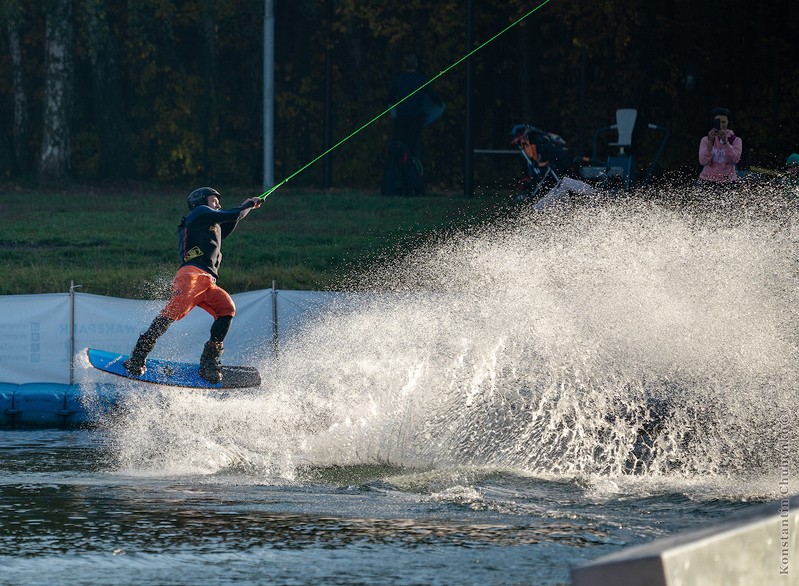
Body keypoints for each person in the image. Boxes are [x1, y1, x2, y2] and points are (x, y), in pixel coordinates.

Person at [124, 187, 262, 383]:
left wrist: (247, 207)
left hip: (208, 281)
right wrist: (247, 204)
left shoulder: (212, 224)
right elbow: (232, 214)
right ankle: (138, 356)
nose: (219, 204)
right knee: (173, 311)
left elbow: (233, 218)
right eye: (215, 201)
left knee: (226, 309)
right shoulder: (198, 213)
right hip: (192, 276)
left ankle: (209, 361)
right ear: (201, 201)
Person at [697, 107, 742, 185]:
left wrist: (725, 142)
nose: (721, 125)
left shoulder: (735, 140)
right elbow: (703, 161)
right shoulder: (705, 140)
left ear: (728, 123)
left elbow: (735, 159)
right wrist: (710, 142)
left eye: (724, 122)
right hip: (707, 180)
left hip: (728, 181)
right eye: (718, 122)